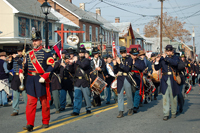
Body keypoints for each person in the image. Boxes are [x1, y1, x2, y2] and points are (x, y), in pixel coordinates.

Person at [22, 31, 54, 131]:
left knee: (44, 102)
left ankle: (45, 121)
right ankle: (30, 124)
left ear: (40, 41)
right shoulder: (29, 54)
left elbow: (51, 66)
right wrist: (21, 71)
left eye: (36, 41)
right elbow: (24, 66)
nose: (34, 43)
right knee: (31, 103)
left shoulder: (46, 53)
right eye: (33, 41)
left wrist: (44, 76)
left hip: (41, 79)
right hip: (31, 79)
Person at [155, 45, 179, 121]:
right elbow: (156, 68)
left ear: (172, 51)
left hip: (172, 78)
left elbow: (175, 64)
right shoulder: (162, 59)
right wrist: (157, 61)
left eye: (170, 51)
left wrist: (166, 58)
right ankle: (166, 113)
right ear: (165, 51)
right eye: (167, 51)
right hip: (164, 78)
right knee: (165, 96)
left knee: (173, 96)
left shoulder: (175, 57)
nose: (169, 52)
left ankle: (173, 112)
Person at [70, 46, 92, 116]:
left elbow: (83, 66)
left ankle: (88, 108)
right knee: (77, 97)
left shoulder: (87, 60)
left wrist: (76, 61)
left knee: (86, 96)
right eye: (80, 52)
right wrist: (70, 64)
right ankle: (76, 110)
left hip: (84, 80)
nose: (81, 54)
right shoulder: (76, 61)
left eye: (82, 52)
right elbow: (72, 71)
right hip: (77, 81)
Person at [113, 46, 133, 118]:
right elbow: (115, 71)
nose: (123, 54)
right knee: (120, 95)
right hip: (120, 78)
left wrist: (119, 63)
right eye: (121, 52)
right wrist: (115, 64)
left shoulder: (129, 59)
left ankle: (130, 108)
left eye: (124, 52)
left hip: (127, 77)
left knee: (128, 95)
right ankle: (120, 111)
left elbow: (127, 69)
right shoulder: (119, 59)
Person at [7, 46, 27, 116]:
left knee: (25, 95)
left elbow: (22, 65)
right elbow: (9, 68)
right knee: (15, 95)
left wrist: (16, 58)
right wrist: (9, 61)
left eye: (21, 51)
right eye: (18, 51)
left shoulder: (24, 58)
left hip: (22, 77)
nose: (19, 53)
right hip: (15, 77)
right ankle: (15, 110)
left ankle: (27, 109)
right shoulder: (14, 59)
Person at [129, 48, 146, 113]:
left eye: (136, 55)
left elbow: (142, 67)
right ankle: (134, 104)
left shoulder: (140, 61)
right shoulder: (128, 60)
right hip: (130, 77)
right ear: (131, 54)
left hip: (137, 77)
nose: (135, 56)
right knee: (131, 92)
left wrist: (135, 64)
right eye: (133, 55)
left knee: (137, 91)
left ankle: (135, 106)